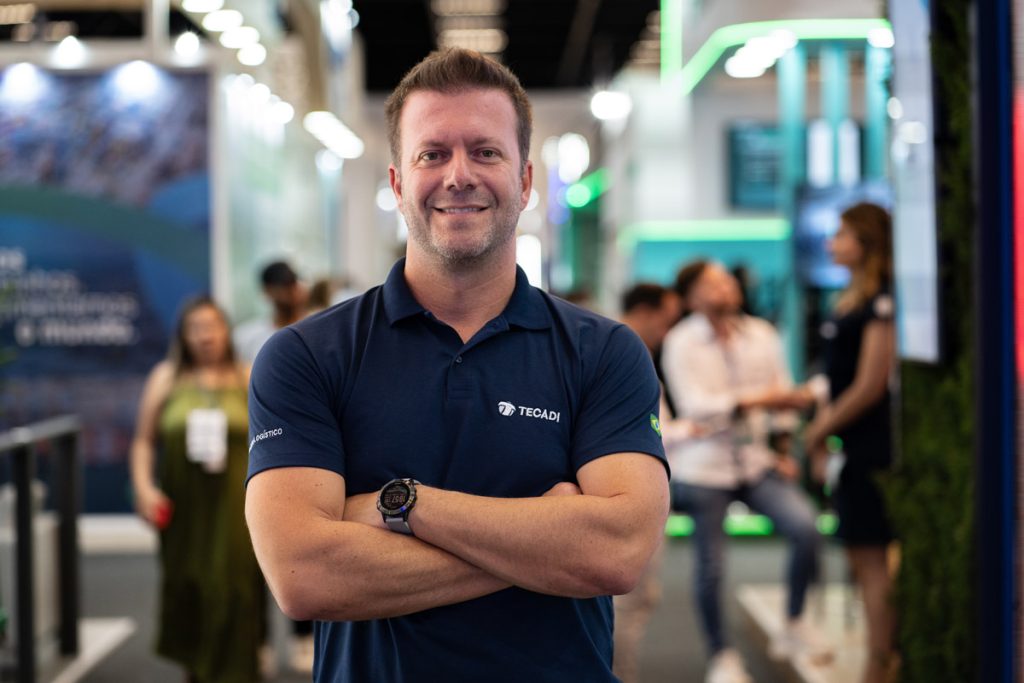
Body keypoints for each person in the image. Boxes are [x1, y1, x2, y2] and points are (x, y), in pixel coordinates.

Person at [244, 48, 670, 683]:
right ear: (397, 184)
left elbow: (617, 553)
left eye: (486, 151)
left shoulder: (604, 352)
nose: (459, 175)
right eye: (433, 154)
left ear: (525, 181)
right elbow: (303, 574)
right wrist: (545, 539)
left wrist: (401, 505)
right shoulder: (305, 356)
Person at [662, 261, 831, 683]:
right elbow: (697, 405)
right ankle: (722, 656)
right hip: (703, 465)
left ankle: (792, 623)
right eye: (712, 283)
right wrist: (760, 400)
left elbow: (783, 397)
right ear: (691, 297)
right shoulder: (681, 341)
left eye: (727, 279)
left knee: (806, 528)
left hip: (756, 462)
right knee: (711, 567)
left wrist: (782, 449)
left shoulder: (762, 334)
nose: (725, 287)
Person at [129, 296, 265, 683]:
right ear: (183, 336)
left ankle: (241, 672)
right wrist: (144, 488)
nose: (206, 336)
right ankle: (195, 670)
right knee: (187, 583)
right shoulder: (165, 378)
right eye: (196, 328)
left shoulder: (247, 376)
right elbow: (143, 441)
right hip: (183, 505)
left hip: (237, 507)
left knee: (236, 586)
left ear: (226, 331)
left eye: (212, 326)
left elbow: (273, 440)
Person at [802, 202, 896, 683]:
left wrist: (819, 431)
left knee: (872, 562)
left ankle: (878, 667)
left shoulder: (880, 300)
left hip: (872, 448)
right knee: (862, 561)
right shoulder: (850, 300)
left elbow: (869, 384)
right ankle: (880, 662)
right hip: (853, 447)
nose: (832, 243)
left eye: (841, 234)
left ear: (866, 241)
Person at [613, 283, 682, 683]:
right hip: (624, 503)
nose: (667, 331)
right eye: (665, 321)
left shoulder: (631, 354)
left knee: (638, 598)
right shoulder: (617, 354)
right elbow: (650, 431)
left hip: (643, 497)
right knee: (627, 598)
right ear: (644, 311)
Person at [233, 260, 308, 362]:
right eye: (284, 285)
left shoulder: (314, 332)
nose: (291, 290)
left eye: (293, 283)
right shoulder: (246, 337)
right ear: (267, 291)